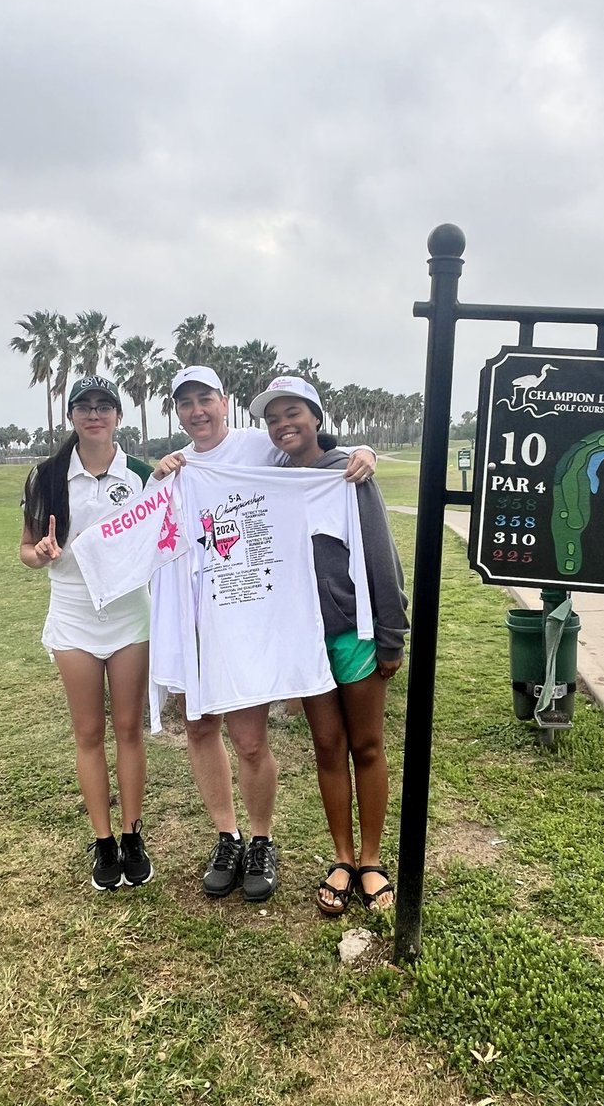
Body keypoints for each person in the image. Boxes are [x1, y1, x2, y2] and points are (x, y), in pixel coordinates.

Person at [152, 366, 376, 903]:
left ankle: (260, 839)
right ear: (178, 412)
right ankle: (225, 836)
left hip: (252, 617)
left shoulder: (260, 447)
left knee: (250, 739)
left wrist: (360, 450)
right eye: (186, 403)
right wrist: (158, 478)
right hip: (199, 617)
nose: (197, 411)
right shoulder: (175, 469)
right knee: (199, 727)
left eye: (205, 398)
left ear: (223, 401)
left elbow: (312, 453)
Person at [248, 376, 409, 914]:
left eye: (291, 412)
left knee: (365, 746)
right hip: (303, 641)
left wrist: (391, 635)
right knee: (326, 748)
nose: (282, 424)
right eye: (272, 419)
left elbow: (380, 554)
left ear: (315, 416)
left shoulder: (347, 473)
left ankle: (370, 860)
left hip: (354, 635)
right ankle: (341, 856)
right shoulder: (267, 479)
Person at [20, 374, 155, 892]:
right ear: (71, 415)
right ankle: (103, 843)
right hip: (73, 617)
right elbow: (27, 550)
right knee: (88, 733)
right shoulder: (47, 476)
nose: (94, 414)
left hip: (128, 618)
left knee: (128, 729)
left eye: (104, 406)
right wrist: (43, 555)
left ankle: (132, 835)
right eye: (84, 406)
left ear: (118, 415)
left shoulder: (140, 474)